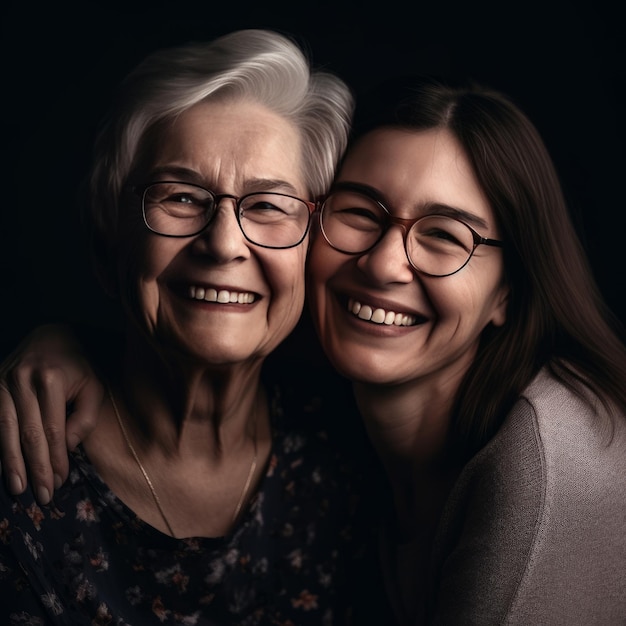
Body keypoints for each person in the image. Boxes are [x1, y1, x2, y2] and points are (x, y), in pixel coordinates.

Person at [3, 76, 626, 623]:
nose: (383, 264)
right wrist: (69, 340)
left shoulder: (549, 474)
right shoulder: (329, 408)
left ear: (507, 295)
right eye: (360, 212)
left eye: (443, 235)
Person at [0, 28, 387, 625]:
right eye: (181, 197)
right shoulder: (19, 467)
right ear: (110, 244)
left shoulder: (355, 456)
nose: (223, 244)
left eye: (268, 205)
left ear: (312, 249)